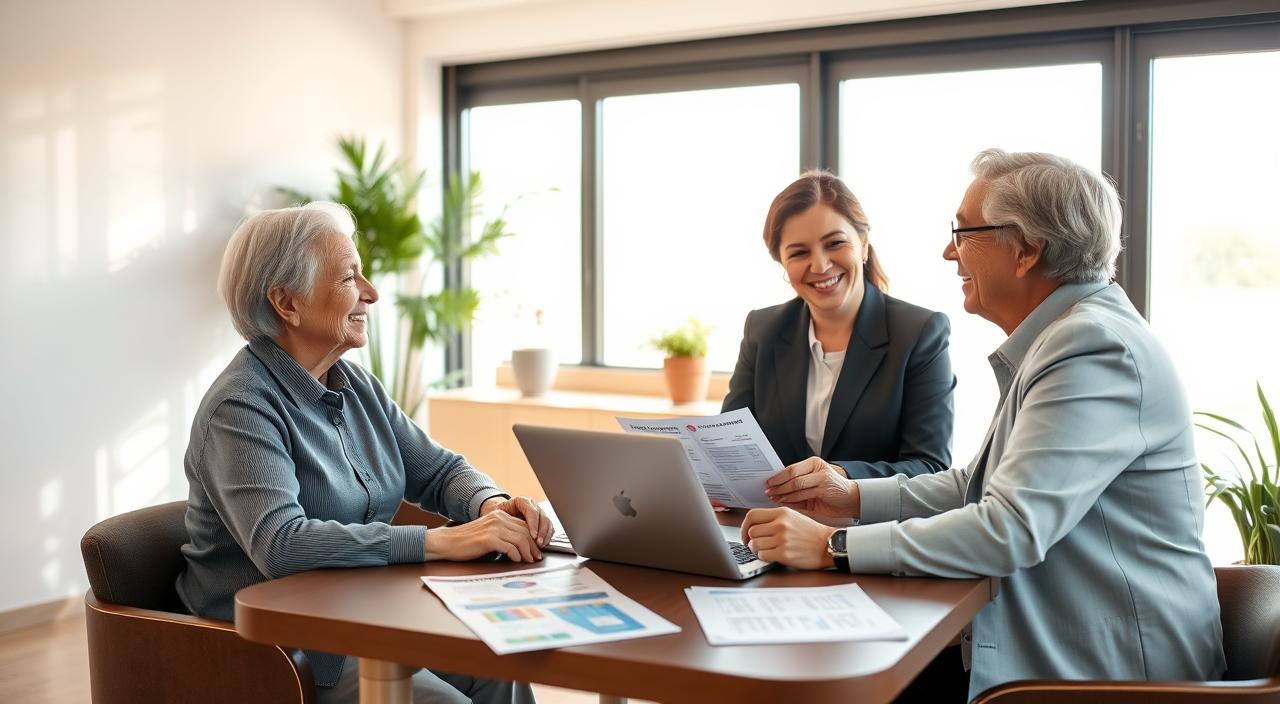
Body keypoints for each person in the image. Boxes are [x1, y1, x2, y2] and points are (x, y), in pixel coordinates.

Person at [740, 150, 1226, 701]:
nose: (950, 252)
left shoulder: (1091, 348)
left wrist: (834, 546)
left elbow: (1009, 528)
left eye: (964, 233)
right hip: (1052, 639)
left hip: (1111, 672)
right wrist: (850, 495)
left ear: (1026, 251)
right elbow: (973, 483)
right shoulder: (1064, 335)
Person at [176, 202, 547, 704]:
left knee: (500, 667)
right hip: (284, 650)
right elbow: (281, 545)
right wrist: (441, 543)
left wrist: (489, 505)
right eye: (350, 277)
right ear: (287, 303)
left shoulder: (355, 386)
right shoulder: (241, 406)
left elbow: (438, 471)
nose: (371, 293)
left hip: (368, 614)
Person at [722, 171, 955, 479]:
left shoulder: (920, 333)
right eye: (799, 252)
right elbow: (729, 446)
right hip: (774, 522)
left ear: (863, 243)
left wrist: (838, 479)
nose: (820, 265)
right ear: (781, 262)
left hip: (869, 526)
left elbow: (930, 466)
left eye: (834, 243)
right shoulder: (762, 329)